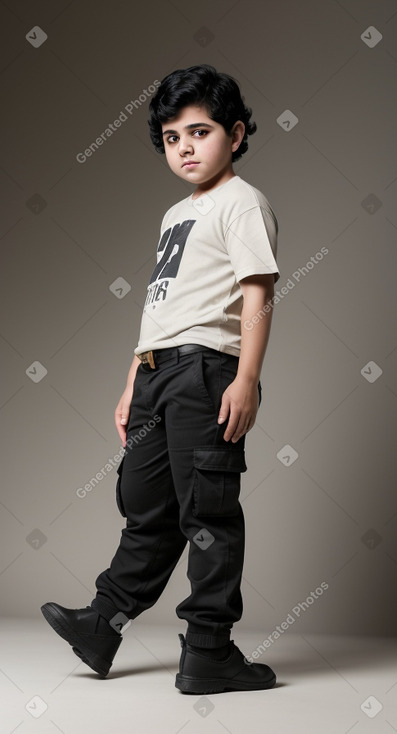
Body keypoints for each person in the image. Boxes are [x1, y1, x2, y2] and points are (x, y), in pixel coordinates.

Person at [41, 63, 280, 694]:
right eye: (172, 138)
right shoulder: (176, 212)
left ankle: (209, 649)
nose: (185, 148)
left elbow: (258, 289)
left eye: (199, 132)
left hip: (207, 372)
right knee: (148, 510)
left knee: (207, 512)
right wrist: (130, 384)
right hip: (156, 373)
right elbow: (159, 306)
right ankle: (103, 622)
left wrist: (247, 378)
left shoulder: (243, 202)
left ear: (234, 132)